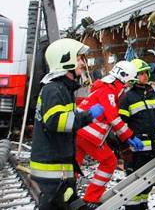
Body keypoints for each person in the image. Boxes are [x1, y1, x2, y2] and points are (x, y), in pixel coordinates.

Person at [30, 38, 105, 210]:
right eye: (78, 58)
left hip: (60, 168)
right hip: (53, 170)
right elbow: (57, 122)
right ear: (66, 60)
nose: (82, 63)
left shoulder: (62, 89)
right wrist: (88, 116)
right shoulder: (54, 90)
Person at [75, 61, 144, 208]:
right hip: (88, 134)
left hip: (78, 132)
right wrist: (130, 136)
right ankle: (91, 198)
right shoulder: (109, 91)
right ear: (123, 78)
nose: (128, 87)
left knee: (73, 165)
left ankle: (65, 195)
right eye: (129, 82)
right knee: (109, 161)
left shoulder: (103, 88)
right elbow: (113, 118)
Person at [119, 58, 155, 210]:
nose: (144, 76)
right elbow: (120, 125)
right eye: (140, 73)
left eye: (146, 73)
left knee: (147, 186)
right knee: (133, 188)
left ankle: (143, 206)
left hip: (153, 149)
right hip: (135, 152)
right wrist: (125, 149)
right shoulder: (127, 98)